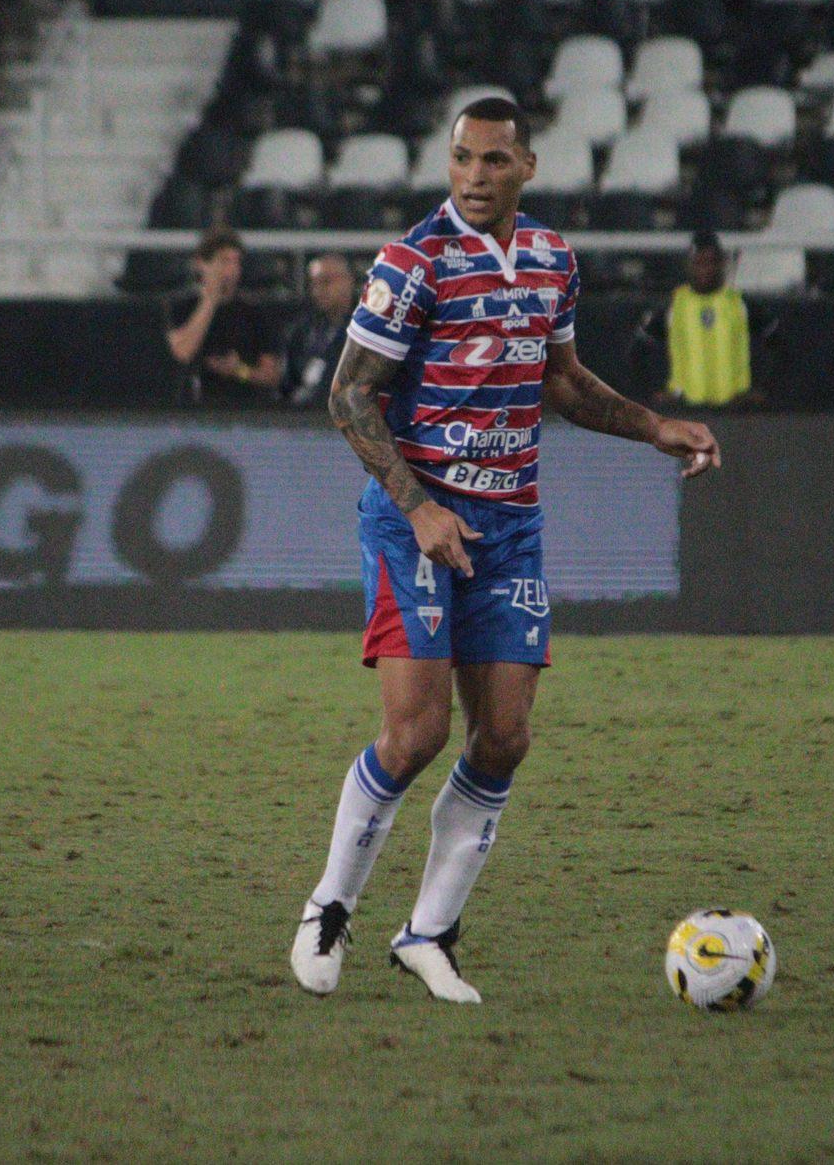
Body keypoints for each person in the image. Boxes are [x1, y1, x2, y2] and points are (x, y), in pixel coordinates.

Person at [289, 96, 720, 1004]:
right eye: (461, 160)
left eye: (493, 161)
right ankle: (330, 905)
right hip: (417, 522)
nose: (475, 178)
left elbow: (562, 380)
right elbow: (348, 397)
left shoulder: (552, 260)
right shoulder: (413, 263)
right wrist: (417, 510)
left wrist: (655, 428)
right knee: (418, 733)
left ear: (527, 164)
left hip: (510, 523)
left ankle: (431, 932)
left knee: (506, 736)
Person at [633, 232, 775, 408]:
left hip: (735, 414)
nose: (705, 269)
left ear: (722, 264)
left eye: (711, 262)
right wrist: (655, 392)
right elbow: (637, 354)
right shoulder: (672, 306)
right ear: (688, 265)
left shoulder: (741, 304)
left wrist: (762, 390)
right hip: (686, 413)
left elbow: (780, 348)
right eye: (699, 263)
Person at [164, 229, 280, 406]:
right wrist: (210, 300)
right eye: (224, 261)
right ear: (201, 263)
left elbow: (271, 375)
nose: (231, 270)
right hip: (194, 408)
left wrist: (239, 371)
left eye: (236, 262)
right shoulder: (181, 306)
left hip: (245, 408)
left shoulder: (254, 311)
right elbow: (182, 352)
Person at [279, 253, 355, 408]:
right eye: (314, 284)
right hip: (304, 419)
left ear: (348, 282)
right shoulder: (302, 331)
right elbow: (287, 385)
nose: (318, 290)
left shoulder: (369, 331)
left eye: (326, 282)